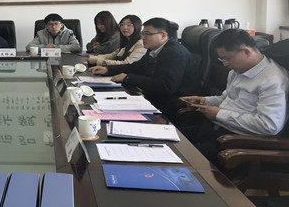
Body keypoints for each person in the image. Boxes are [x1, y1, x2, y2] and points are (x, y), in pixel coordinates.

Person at [180, 29, 289, 163]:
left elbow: (269, 125)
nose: (225, 63)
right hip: (212, 129)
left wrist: (219, 114)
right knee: (171, 138)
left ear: (246, 51)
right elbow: (226, 99)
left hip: (236, 142)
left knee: (182, 158)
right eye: (222, 59)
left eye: (227, 58)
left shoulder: (272, 80)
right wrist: (205, 101)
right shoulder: (236, 71)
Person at [89, 17, 200, 122]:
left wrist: (128, 78)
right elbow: (136, 67)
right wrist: (107, 69)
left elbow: (166, 86)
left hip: (172, 107)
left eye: (148, 34)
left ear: (163, 36)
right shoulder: (154, 49)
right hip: (154, 98)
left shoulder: (174, 54)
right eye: (143, 34)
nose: (143, 38)